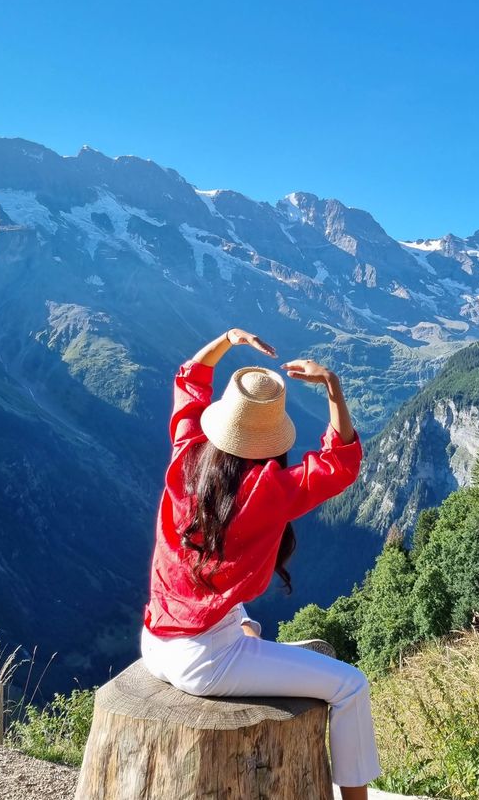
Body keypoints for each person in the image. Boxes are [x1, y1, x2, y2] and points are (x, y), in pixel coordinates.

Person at [141, 327, 382, 799]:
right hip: (204, 660)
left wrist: (226, 341)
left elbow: (189, 380)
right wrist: (332, 385)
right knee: (351, 686)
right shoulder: (271, 490)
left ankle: (240, 634)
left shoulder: (185, 456)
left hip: (156, 643)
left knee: (243, 621)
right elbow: (342, 463)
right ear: (271, 437)